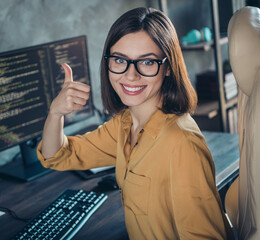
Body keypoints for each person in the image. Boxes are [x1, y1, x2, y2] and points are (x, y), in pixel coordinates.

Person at [37, 7, 233, 239]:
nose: (131, 75)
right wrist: (56, 113)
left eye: (147, 62)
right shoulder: (124, 123)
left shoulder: (182, 144)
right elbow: (57, 155)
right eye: (120, 60)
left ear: (168, 67)